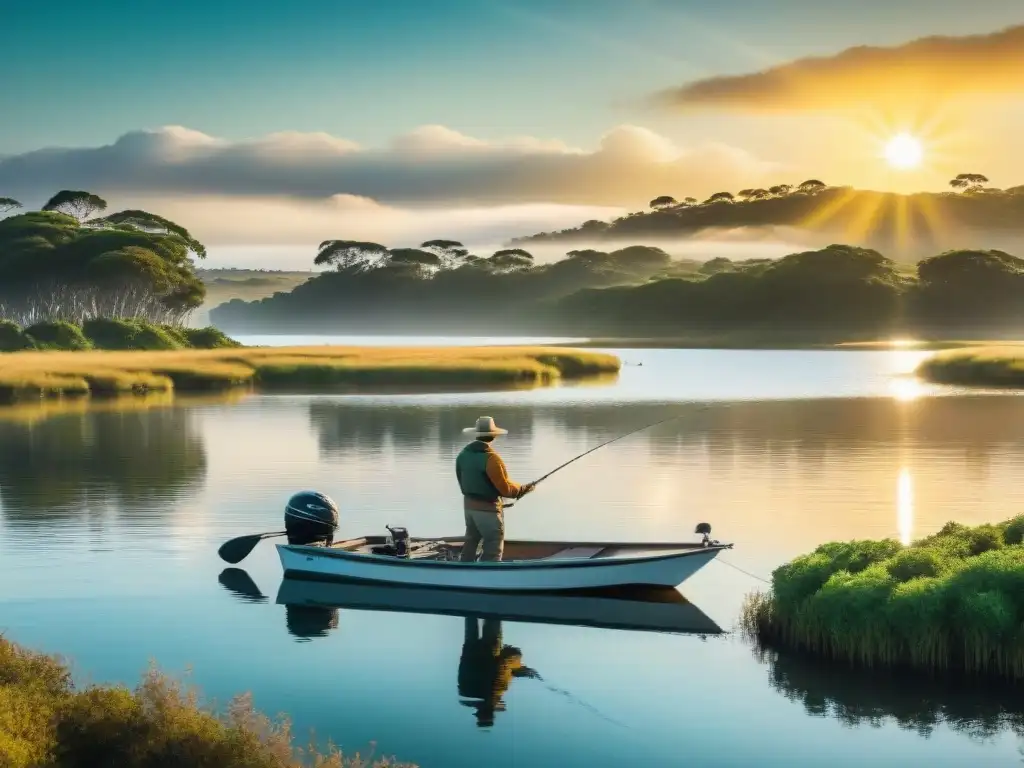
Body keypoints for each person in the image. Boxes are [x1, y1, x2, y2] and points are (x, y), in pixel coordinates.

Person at [455, 415, 535, 562]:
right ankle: (488, 578)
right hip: (488, 512)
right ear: (493, 436)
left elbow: (462, 484)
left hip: (469, 509)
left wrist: (519, 487)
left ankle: (465, 574)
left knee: (471, 544)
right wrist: (523, 489)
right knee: (493, 547)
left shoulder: (462, 455)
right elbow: (505, 490)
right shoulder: (492, 459)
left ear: (477, 434)